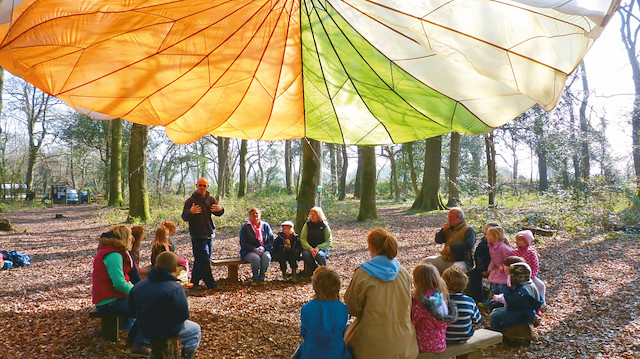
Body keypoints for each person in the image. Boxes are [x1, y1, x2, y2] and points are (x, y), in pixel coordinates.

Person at [344, 228, 418, 359]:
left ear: (371, 247)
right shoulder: (403, 272)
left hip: (370, 346)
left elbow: (353, 307)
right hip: (405, 344)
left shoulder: (363, 274)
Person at [129, 251, 201, 359]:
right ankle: (186, 356)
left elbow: (132, 311)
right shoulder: (175, 289)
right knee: (194, 330)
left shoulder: (138, 287)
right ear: (174, 270)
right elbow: (183, 315)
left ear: (156, 266)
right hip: (168, 328)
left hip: (145, 328)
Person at [92, 225, 149, 355]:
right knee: (148, 308)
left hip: (115, 297)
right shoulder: (113, 255)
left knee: (149, 305)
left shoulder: (116, 252)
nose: (132, 239)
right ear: (124, 238)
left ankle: (134, 341)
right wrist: (138, 294)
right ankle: (139, 344)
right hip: (109, 300)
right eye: (130, 236)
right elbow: (119, 283)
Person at [292, 266, 351, 359]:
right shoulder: (342, 309)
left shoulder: (307, 308)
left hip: (311, 353)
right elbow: (342, 331)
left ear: (315, 287)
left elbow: (303, 332)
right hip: (336, 353)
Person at [181, 177, 224, 290]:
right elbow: (184, 216)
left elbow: (218, 212)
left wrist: (220, 209)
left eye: (204, 185)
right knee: (204, 259)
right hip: (197, 235)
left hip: (209, 233)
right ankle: (211, 283)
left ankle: (194, 282)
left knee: (201, 259)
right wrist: (191, 212)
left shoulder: (210, 199)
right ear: (196, 185)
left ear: (207, 187)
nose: (202, 187)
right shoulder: (191, 201)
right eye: (200, 185)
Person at [411, 263, 457, 353]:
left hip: (422, 346)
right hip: (441, 343)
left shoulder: (420, 302)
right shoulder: (442, 297)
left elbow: (413, 322)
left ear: (417, 281)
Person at [489, 263, 543, 335]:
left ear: (517, 276)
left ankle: (497, 335)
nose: (509, 276)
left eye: (511, 274)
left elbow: (511, 301)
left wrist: (507, 288)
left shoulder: (523, 291)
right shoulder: (529, 283)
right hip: (524, 311)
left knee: (495, 314)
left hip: (521, 315)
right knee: (495, 306)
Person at [426, 207, 476, 274]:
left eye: (451, 217)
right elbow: (438, 240)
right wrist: (443, 230)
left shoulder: (468, 230)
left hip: (462, 261)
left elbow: (468, 245)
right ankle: (436, 283)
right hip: (447, 258)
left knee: (454, 270)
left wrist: (452, 247)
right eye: (448, 217)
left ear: (459, 218)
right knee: (426, 262)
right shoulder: (449, 228)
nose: (449, 219)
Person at [442, 266, 482, 344]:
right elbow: (478, 321)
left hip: (446, 337)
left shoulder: (442, 301)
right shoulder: (469, 301)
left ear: (444, 284)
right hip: (465, 336)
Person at [239, 208, 274, 284]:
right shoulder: (246, 227)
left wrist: (264, 248)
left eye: (257, 213)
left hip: (264, 249)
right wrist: (254, 249)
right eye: (252, 214)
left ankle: (262, 277)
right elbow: (243, 243)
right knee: (256, 258)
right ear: (250, 216)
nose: (255, 215)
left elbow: (271, 241)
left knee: (267, 257)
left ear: (260, 215)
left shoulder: (265, 226)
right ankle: (255, 278)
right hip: (249, 251)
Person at [511, 230, 546, 304]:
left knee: (541, 285)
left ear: (526, 242)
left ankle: (541, 303)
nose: (517, 242)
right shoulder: (514, 252)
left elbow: (535, 266)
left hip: (529, 276)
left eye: (520, 240)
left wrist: (531, 277)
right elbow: (509, 262)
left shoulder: (531, 253)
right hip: (516, 276)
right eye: (516, 240)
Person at [467, 223, 497, 302]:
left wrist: (491, 269)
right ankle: (477, 298)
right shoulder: (483, 243)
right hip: (484, 267)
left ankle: (492, 299)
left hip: (496, 268)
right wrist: (482, 269)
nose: (485, 231)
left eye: (488, 229)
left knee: (497, 277)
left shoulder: (501, 244)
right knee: (473, 274)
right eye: (485, 229)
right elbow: (478, 256)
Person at [300, 207, 332, 275]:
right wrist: (310, 249)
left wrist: (318, 247)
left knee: (320, 255)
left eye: (314, 215)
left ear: (319, 215)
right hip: (309, 247)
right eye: (311, 215)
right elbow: (303, 239)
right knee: (306, 254)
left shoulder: (324, 225)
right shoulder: (307, 225)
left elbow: (328, 240)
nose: (312, 217)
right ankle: (316, 270)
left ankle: (326, 272)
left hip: (321, 248)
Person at [485, 226, 513, 304]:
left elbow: (509, 259)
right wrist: (490, 268)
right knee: (494, 287)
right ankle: (490, 302)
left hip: (504, 272)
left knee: (501, 287)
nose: (487, 236)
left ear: (496, 237)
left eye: (489, 235)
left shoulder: (503, 248)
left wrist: (504, 266)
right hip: (496, 271)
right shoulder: (491, 247)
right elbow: (493, 259)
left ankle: (501, 303)